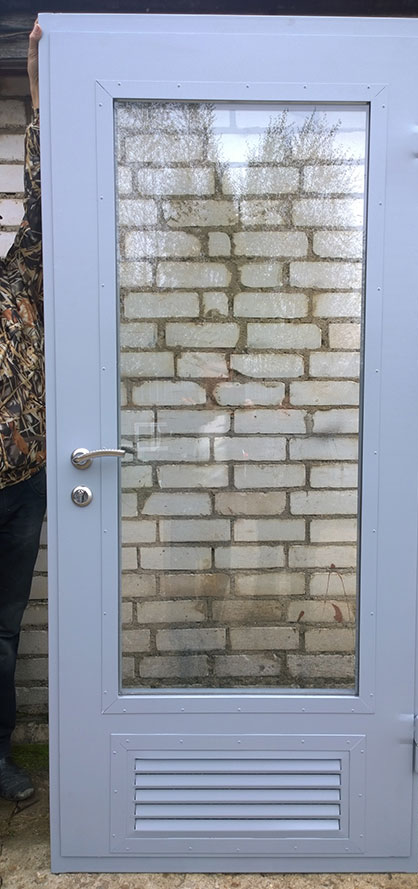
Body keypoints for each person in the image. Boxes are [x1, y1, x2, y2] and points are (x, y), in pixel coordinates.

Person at [0, 20, 44, 801]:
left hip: (21, 485)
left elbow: (47, 203)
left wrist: (39, 86)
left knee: (3, 633)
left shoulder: (16, 287)